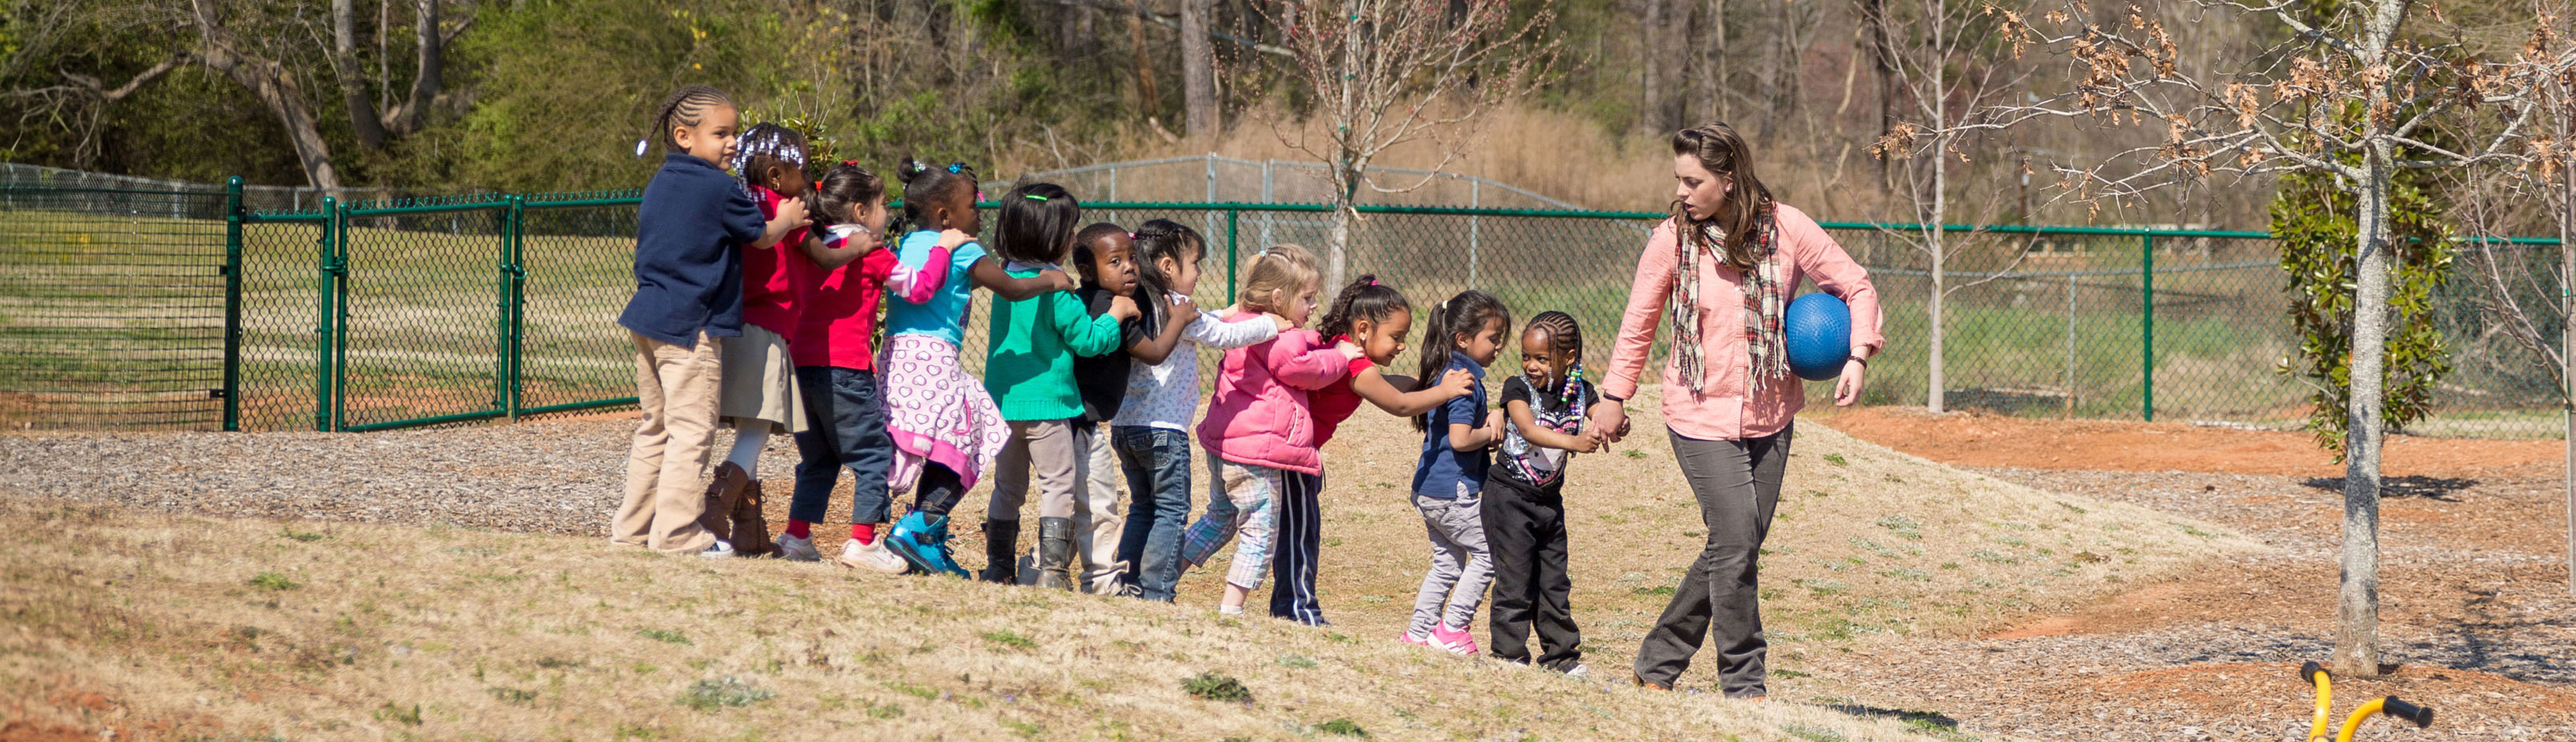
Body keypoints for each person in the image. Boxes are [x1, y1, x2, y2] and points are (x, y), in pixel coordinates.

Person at [1589, 121, 1883, 700]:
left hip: (1770, 414)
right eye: (1678, 179)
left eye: (1692, 181)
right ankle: (1744, 687)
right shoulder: (1670, 241)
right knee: (1733, 542)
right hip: (1696, 414)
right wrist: (1613, 396)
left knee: (1737, 546)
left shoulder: (1787, 228)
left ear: (1727, 179)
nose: (1680, 191)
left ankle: (1656, 662)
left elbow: (1856, 285)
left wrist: (1857, 355)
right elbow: (1637, 324)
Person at [609, 85, 806, 558]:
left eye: (734, 133)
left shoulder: (661, 181)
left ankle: (632, 530)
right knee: (692, 430)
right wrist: (788, 218)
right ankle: (678, 535)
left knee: (655, 427)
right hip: (691, 325)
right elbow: (759, 237)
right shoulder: (719, 187)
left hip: (648, 317)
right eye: (721, 133)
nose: (733, 142)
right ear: (683, 135)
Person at [875, 160, 1073, 576]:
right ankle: (922, 525)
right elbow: (1014, 288)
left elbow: (956, 283)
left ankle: (920, 533)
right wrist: (1051, 280)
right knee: (976, 436)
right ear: (945, 215)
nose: (980, 214)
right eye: (972, 206)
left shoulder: (908, 245)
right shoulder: (963, 248)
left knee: (941, 447)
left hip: (896, 361)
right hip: (935, 362)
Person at [1271, 276, 1473, 625]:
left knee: (1293, 533)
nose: (1402, 346)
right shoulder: (1354, 364)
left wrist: (1433, 384)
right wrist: (1446, 392)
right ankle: (1296, 612)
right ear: (1364, 328)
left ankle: (1290, 607)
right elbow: (1399, 404)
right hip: (1291, 457)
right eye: (1396, 337)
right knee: (1299, 536)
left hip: (1294, 454)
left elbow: (1393, 387)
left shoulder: (1344, 350)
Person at [1107, 220, 1287, 603]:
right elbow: (1225, 336)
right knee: (1171, 512)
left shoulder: (1146, 302)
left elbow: (1211, 321)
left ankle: (1126, 584)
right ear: (1169, 267)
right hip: (1164, 433)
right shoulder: (1178, 309)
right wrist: (1271, 323)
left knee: (1143, 508)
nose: (1201, 271)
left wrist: (1235, 310)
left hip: (1126, 428)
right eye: (1196, 263)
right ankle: (1157, 591)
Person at [1177, 245, 1360, 616]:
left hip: (1225, 444)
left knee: (1219, 518)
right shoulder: (1282, 338)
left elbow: (1295, 345)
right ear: (1279, 297)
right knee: (1260, 533)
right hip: (1257, 454)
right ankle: (1232, 607)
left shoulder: (1243, 322)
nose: (1312, 306)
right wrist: (1342, 355)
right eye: (1307, 298)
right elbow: (1302, 369)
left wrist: (1317, 339)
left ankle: (1162, 577)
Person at [978, 184, 1140, 590]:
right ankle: (1052, 571)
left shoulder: (1005, 276)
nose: (1073, 239)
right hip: (1048, 406)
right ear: (1050, 238)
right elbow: (1089, 341)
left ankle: (998, 566)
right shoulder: (1056, 286)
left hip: (1005, 404)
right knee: (1058, 485)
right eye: (1069, 231)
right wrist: (1116, 315)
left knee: (1008, 487)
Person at [777, 161, 908, 568]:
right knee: (872, 455)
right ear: (860, 211)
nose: (887, 213)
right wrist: (943, 251)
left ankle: (797, 536)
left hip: (801, 366)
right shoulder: (871, 250)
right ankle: (863, 543)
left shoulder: (812, 244)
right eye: (883, 204)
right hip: (846, 369)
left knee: (819, 459)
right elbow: (915, 287)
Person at [702, 122, 820, 556]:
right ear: (775, 176)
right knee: (757, 427)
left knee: (746, 423)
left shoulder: (741, 202)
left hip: (732, 323)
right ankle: (714, 508)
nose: (807, 182)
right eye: (803, 171)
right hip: (767, 327)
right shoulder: (782, 210)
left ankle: (750, 530)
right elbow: (820, 254)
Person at [1065, 224, 1198, 595]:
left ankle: (1115, 579)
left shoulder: (1081, 299)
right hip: (1084, 425)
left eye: (1132, 259)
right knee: (1108, 507)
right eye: (1116, 261)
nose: (1129, 268)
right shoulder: (1115, 310)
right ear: (1087, 270)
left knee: (1112, 505)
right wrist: (1179, 319)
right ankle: (1150, 590)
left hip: (1085, 423)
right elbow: (1155, 354)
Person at [1482, 310, 1599, 675]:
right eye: (1527, 357)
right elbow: (1529, 429)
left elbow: (1602, 413)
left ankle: (1561, 658)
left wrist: (1615, 422)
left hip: (1549, 502)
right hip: (1508, 498)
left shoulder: (1581, 390)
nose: (1531, 366)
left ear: (1568, 359)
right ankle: (1509, 655)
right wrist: (1575, 442)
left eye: (1542, 359)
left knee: (1554, 583)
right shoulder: (1516, 387)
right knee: (1514, 581)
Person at [1399, 290, 1511, 654]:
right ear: (1463, 339)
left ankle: (1419, 633)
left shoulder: (1446, 371)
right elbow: (1461, 439)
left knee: (1447, 563)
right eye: (1493, 339)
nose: (1498, 348)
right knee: (1489, 554)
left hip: (1429, 489)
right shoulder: (1463, 381)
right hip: (1454, 493)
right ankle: (1452, 629)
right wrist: (1495, 429)